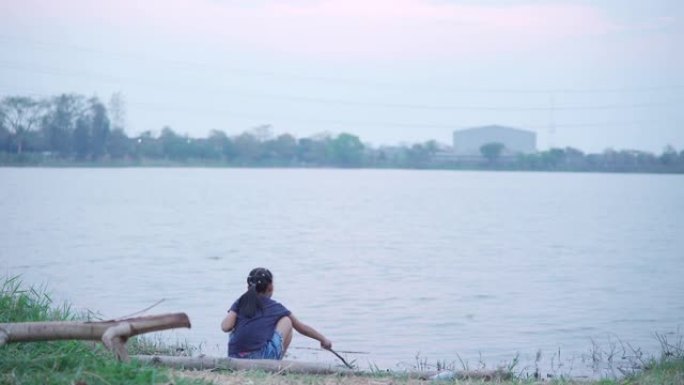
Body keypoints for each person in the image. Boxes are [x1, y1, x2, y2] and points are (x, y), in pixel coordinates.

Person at [221, 267, 332, 360]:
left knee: (238, 324)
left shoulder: (240, 302)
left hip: (234, 357)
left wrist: (234, 311)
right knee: (287, 321)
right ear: (271, 287)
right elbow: (302, 328)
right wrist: (323, 339)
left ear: (248, 287)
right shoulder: (275, 307)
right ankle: (276, 362)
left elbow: (226, 327)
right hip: (260, 357)